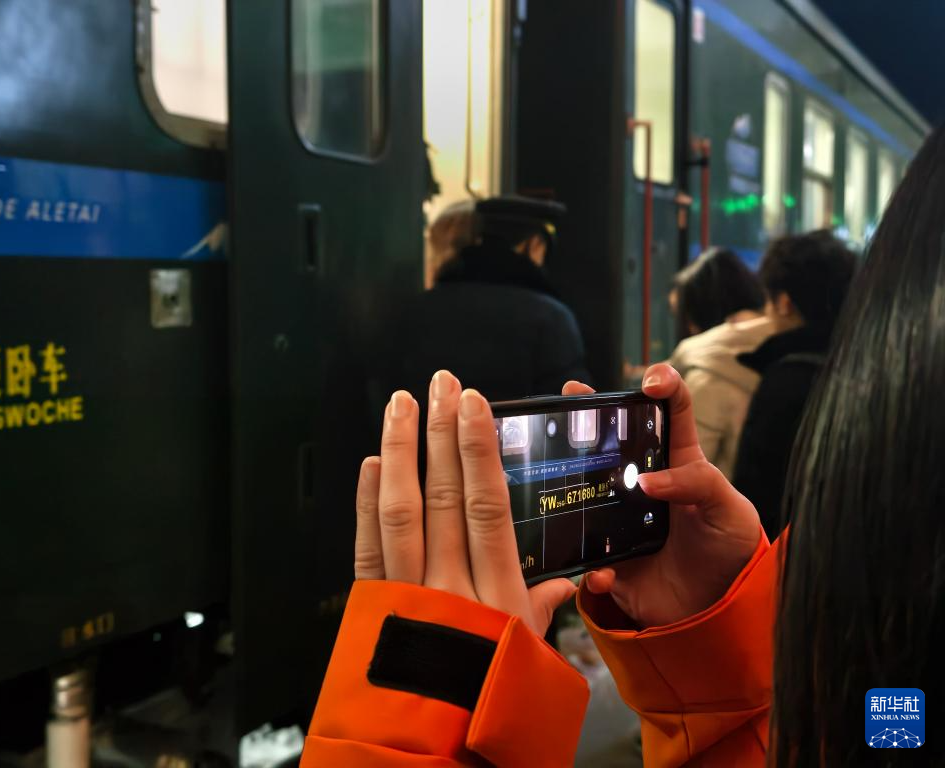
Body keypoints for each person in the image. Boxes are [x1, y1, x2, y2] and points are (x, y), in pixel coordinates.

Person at [298, 123, 945, 766]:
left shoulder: (409, 310)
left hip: (413, 551)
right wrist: (717, 642)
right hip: (523, 547)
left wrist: (422, 712)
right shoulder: (550, 318)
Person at [387, 195, 592, 407]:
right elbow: (570, 407)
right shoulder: (551, 318)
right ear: (534, 245)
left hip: (427, 428)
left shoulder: (414, 311)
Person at [732, 230, 857, 540]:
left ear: (784, 303)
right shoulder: (865, 365)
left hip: (792, 558)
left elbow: (756, 496)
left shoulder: (784, 382)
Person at [666, 248, 775, 478]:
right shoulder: (784, 346)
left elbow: (687, 476)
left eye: (684, 317)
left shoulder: (706, 376)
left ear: (700, 315)